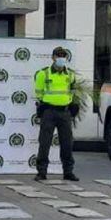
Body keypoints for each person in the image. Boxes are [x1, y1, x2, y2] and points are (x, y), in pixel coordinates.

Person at [34, 46, 79, 181]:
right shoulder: (44, 74)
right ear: (53, 58)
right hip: (49, 111)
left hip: (64, 112)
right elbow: (39, 92)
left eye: (63, 56)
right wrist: (43, 105)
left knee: (67, 143)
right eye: (58, 56)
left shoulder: (70, 74)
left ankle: (68, 172)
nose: (61, 58)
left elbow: (72, 91)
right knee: (45, 142)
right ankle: (42, 172)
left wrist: (72, 104)